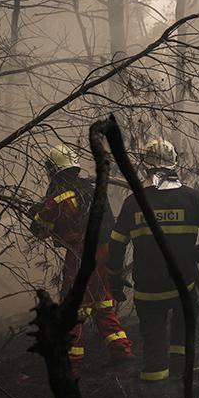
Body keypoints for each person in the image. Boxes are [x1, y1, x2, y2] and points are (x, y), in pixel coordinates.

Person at [108, 138, 199, 387]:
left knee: (154, 342)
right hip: (183, 285)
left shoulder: (133, 202)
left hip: (148, 290)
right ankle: (180, 386)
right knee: (182, 336)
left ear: (146, 166)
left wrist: (115, 278)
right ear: (174, 164)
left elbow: (116, 245)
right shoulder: (191, 198)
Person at [30, 143, 133, 375]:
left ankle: (71, 364)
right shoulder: (94, 188)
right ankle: (121, 351)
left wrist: (35, 212)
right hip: (105, 252)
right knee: (102, 303)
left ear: (53, 169)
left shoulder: (58, 199)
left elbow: (39, 229)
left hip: (81, 256)